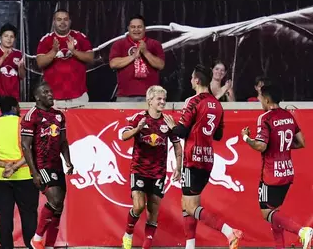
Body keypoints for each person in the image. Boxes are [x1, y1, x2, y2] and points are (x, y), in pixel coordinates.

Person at [163, 64, 243, 249]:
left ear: (197, 80)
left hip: (193, 158)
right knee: (189, 204)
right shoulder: (217, 104)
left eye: (192, 78)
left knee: (190, 206)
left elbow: (181, 132)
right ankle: (190, 246)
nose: (191, 80)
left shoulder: (193, 101)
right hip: (208, 160)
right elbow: (218, 135)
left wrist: (171, 125)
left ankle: (229, 232)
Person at [241, 83, 313, 249]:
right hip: (287, 171)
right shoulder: (288, 115)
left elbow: (261, 146)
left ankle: (303, 231)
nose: (259, 100)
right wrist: (281, 146)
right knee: (275, 213)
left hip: (271, 175)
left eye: (260, 97)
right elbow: (301, 142)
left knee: (267, 214)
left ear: (267, 99)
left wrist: (246, 138)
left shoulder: (265, 118)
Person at [120, 86, 182, 249]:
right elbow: (123, 136)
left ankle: (146, 246)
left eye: (164, 99)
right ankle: (128, 234)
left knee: (153, 212)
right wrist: (138, 129)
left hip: (158, 173)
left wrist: (179, 166)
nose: (163, 102)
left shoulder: (168, 121)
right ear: (149, 101)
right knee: (139, 206)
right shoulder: (139, 118)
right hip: (139, 170)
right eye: (159, 99)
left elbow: (177, 145)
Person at [0, 96, 38, 249]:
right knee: (29, 216)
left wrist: (5, 165)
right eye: (18, 107)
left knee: (5, 216)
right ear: (14, 108)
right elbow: (32, 150)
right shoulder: (24, 124)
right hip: (25, 176)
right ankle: (31, 246)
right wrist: (15, 166)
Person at [21, 82, 74, 249]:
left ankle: (50, 245)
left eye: (51, 91)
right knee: (55, 199)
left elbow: (63, 141)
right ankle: (36, 239)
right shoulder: (32, 116)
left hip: (57, 164)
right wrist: (34, 172)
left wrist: (67, 160)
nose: (51, 94)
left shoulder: (59, 116)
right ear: (37, 97)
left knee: (59, 206)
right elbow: (25, 145)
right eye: (46, 92)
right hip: (42, 164)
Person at [36, 9, 93, 103]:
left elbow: (90, 58)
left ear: (70, 21)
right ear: (54, 22)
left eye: (65, 19)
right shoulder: (47, 39)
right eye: (59, 19)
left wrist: (73, 51)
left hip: (78, 96)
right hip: (53, 98)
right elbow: (40, 63)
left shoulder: (80, 37)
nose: (62, 22)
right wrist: (54, 51)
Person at [109, 15, 165, 102]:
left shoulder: (154, 44)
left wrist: (146, 52)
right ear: (128, 28)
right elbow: (113, 64)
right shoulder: (119, 44)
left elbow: (160, 65)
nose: (136, 30)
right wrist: (133, 56)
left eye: (139, 27)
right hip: (125, 96)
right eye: (133, 27)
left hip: (151, 96)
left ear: (145, 28)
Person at [0, 23, 25, 101]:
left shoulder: (18, 53)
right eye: (6, 36)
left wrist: (21, 67)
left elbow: (22, 76)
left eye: (11, 37)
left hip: (13, 95)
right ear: (0, 37)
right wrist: (3, 58)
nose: (9, 39)